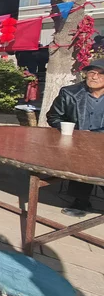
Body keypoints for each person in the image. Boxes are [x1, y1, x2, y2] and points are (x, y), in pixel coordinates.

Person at [46, 58, 104, 216]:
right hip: (77, 143)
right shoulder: (70, 93)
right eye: (91, 73)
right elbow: (53, 117)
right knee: (85, 158)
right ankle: (81, 201)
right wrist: (70, 130)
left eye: (100, 74)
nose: (94, 77)